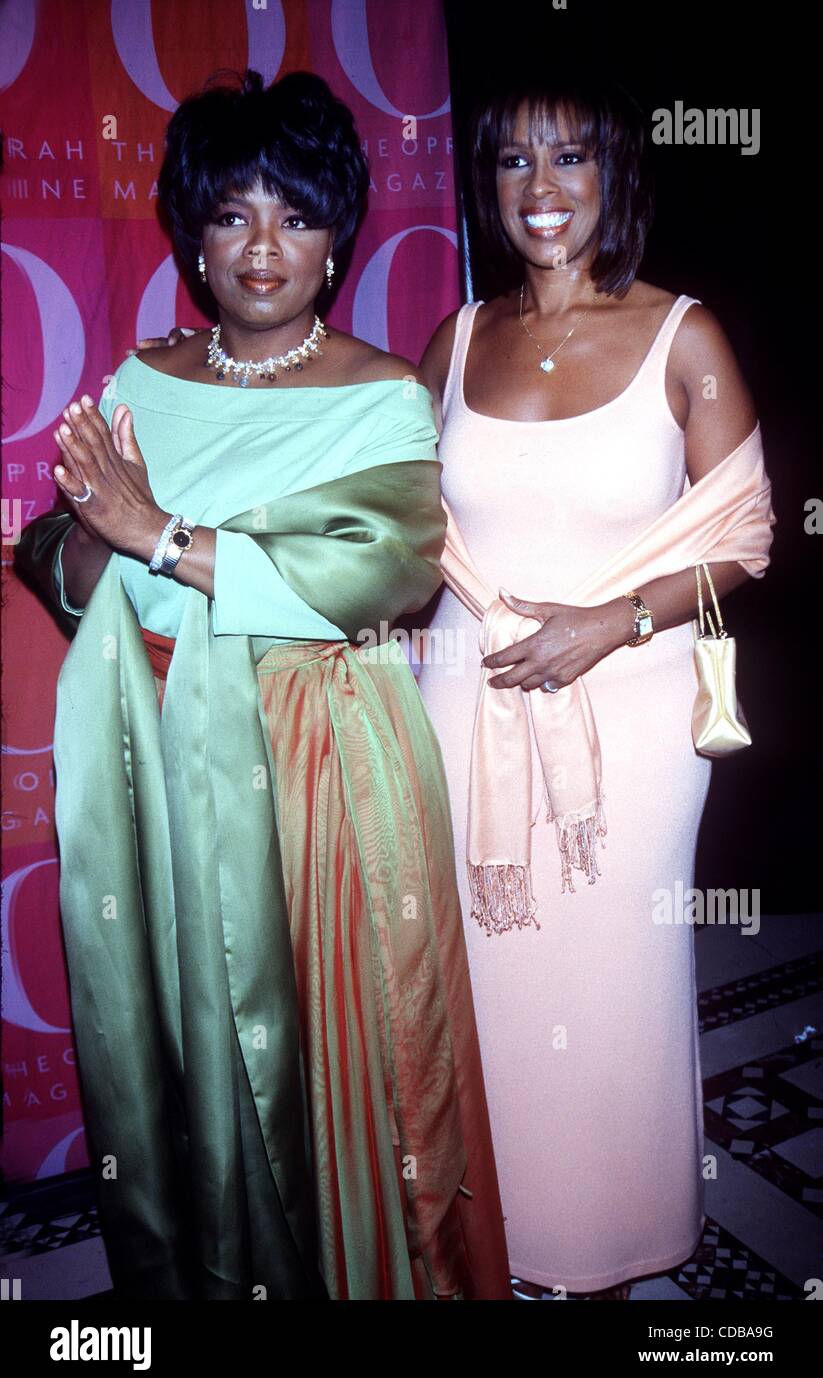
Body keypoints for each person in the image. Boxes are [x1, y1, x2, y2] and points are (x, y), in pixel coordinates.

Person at [14, 69, 511, 1302]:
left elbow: (388, 571)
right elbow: (72, 568)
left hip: (320, 755)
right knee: (196, 1042)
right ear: (193, 232)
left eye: (292, 215)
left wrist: (158, 533)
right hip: (167, 750)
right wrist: (91, 536)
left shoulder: (384, 391)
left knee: (330, 1042)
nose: (261, 247)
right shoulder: (142, 379)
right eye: (231, 214)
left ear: (336, 235)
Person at [415, 76, 776, 1299]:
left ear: (617, 173)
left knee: (612, 987)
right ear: (488, 186)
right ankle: (498, 1239)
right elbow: (404, 528)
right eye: (514, 164)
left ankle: (614, 1246)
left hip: (628, 710)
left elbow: (743, 539)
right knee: (489, 977)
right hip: (467, 701)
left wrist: (609, 621)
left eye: (570, 159)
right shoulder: (455, 338)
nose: (542, 190)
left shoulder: (686, 335)